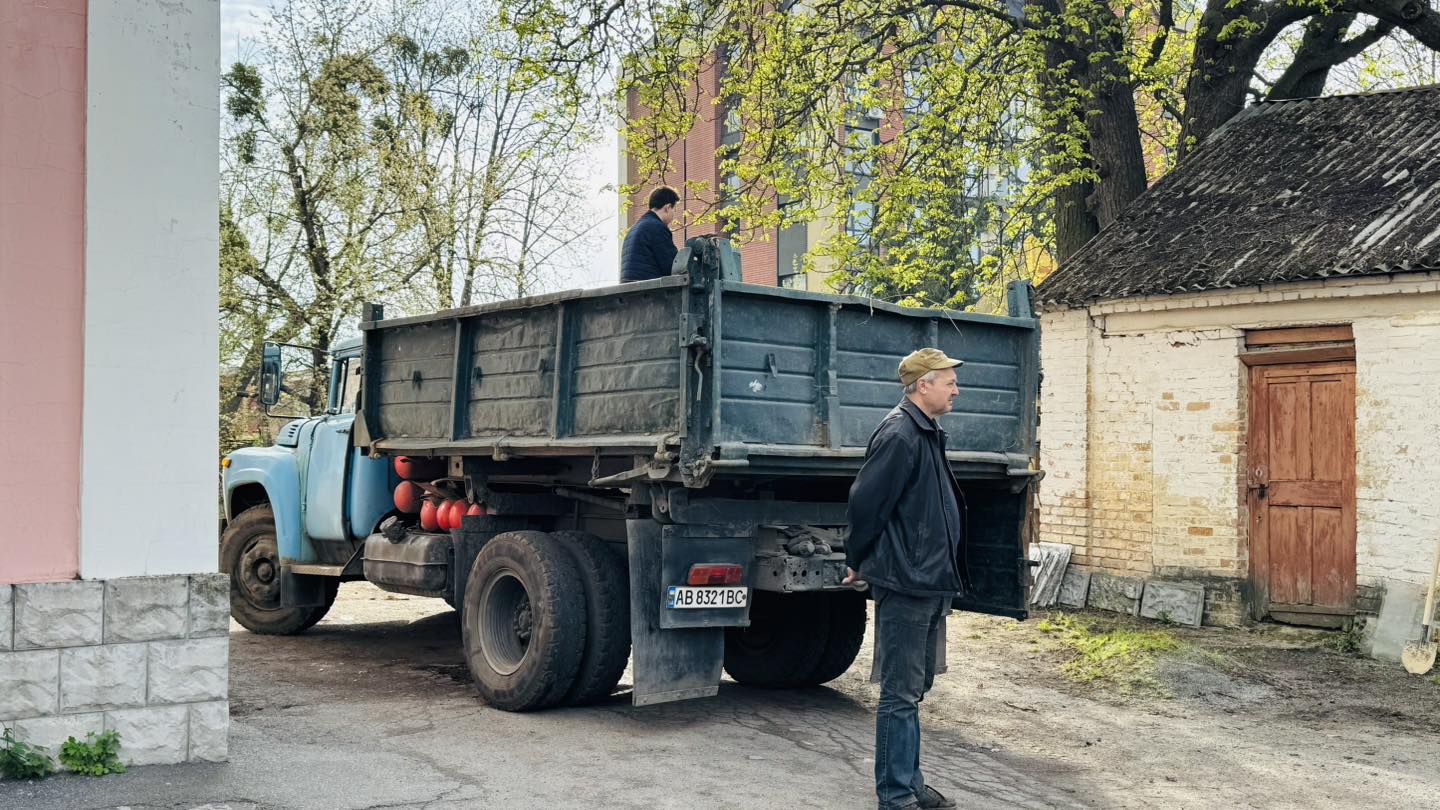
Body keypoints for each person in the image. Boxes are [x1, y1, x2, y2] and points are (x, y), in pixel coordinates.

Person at [844, 347, 970, 810]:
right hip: (908, 580)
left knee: (915, 689)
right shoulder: (900, 434)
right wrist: (858, 558)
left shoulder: (927, 432)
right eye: (949, 381)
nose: (956, 388)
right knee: (900, 693)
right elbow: (866, 504)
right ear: (923, 385)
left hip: (930, 580)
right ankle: (895, 796)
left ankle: (910, 783)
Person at [620, 185, 680, 283]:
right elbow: (672, 268)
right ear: (668, 207)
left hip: (629, 290)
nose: (674, 215)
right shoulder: (657, 228)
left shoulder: (635, 228)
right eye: (674, 210)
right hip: (649, 291)